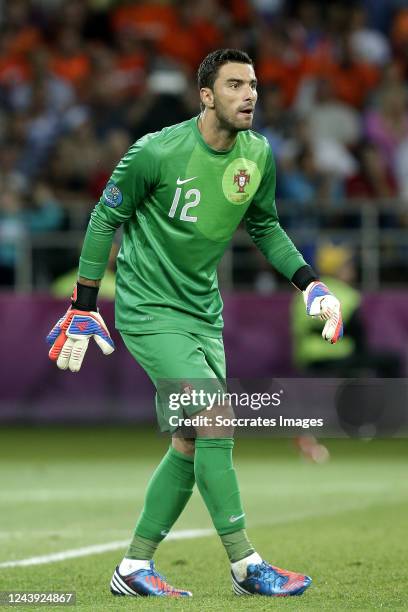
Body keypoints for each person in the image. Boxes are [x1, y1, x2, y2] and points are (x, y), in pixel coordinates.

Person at [46, 49, 343, 599]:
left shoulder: (257, 155)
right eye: (234, 85)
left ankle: (133, 568)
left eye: (253, 84)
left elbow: (266, 227)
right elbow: (104, 215)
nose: (249, 94)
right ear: (206, 96)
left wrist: (311, 284)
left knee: (190, 440)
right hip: (148, 310)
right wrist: (85, 303)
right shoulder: (155, 152)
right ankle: (245, 564)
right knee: (216, 418)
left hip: (204, 315)